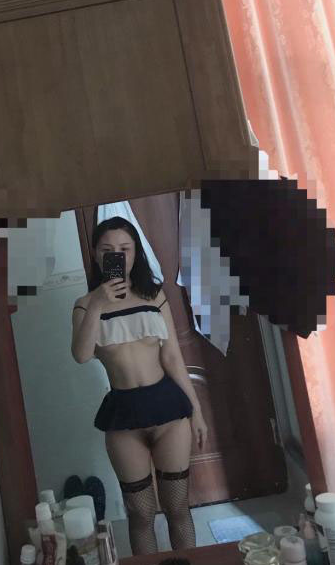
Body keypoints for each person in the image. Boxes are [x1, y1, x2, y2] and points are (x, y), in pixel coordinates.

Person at [71, 216, 208, 555]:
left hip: (168, 409)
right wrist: (99, 303)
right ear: (95, 255)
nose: (116, 255)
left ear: (135, 253)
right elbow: (81, 355)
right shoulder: (86, 305)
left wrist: (197, 412)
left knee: (177, 507)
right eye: (107, 250)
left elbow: (172, 358)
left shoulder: (154, 296)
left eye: (124, 249)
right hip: (123, 415)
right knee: (141, 513)